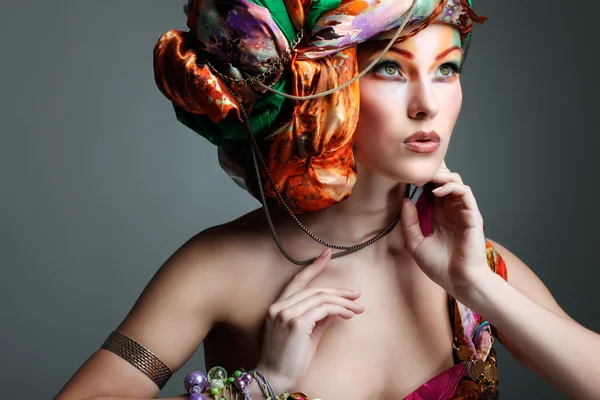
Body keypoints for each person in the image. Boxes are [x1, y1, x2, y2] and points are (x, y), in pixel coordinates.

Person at [56, 0, 600, 399]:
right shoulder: (217, 267)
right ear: (326, 89)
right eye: (391, 68)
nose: (427, 104)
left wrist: (478, 287)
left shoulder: (477, 266)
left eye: (447, 69)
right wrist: (266, 385)